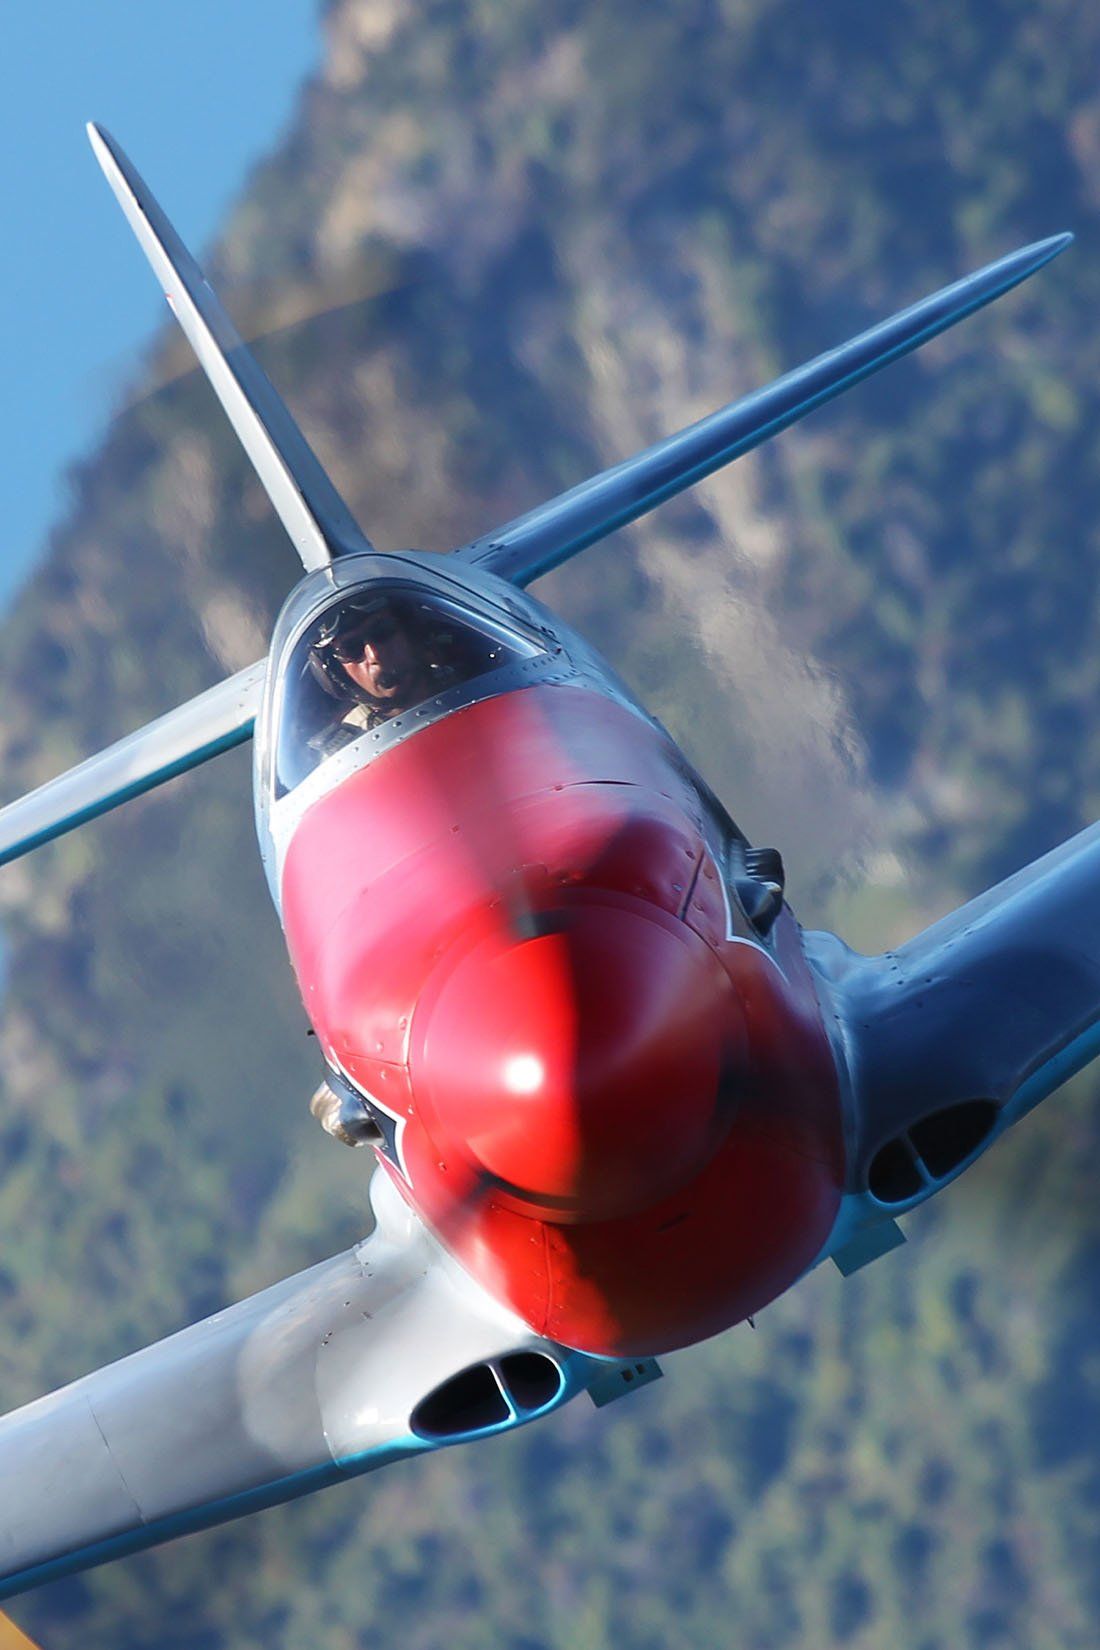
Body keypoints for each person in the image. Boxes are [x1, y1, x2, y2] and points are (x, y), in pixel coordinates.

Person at [307, 595, 469, 757]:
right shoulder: (348, 754)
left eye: (382, 632)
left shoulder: (476, 678)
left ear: (409, 631)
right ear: (338, 672)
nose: (374, 655)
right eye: (350, 649)